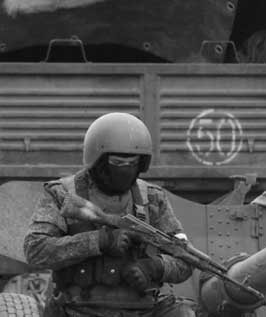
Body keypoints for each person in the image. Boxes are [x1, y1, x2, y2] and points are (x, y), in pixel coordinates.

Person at [24, 112, 195, 317]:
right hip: (77, 310)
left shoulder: (152, 198)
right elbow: (36, 250)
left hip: (142, 311)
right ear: (98, 161)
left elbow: (186, 260)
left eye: (132, 163)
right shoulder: (63, 194)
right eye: (118, 163)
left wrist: (154, 267)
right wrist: (100, 240)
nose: (126, 170)